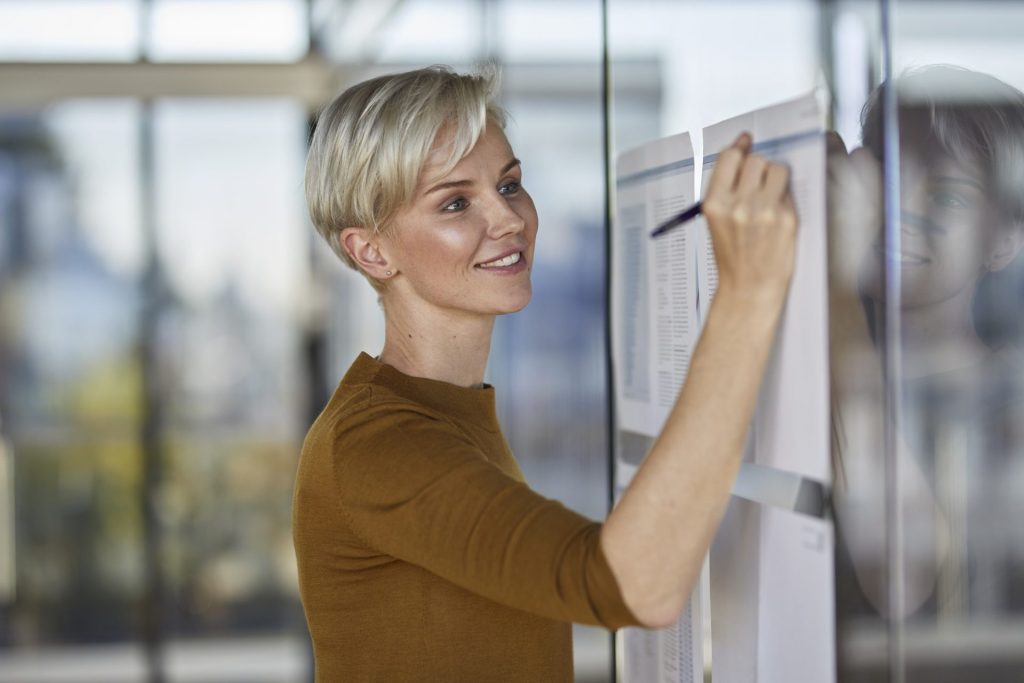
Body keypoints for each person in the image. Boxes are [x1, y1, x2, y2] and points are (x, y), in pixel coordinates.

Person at [292, 64, 797, 681]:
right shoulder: (379, 443)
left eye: (508, 185)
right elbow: (633, 587)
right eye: (455, 202)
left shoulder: (454, 411)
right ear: (371, 251)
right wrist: (744, 294)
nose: (508, 221)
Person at [828, 65, 1024, 624]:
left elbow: (900, 582)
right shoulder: (812, 368)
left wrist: (838, 296)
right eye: (884, 176)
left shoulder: (1010, 401)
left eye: (948, 197)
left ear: (1006, 236)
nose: (898, 212)